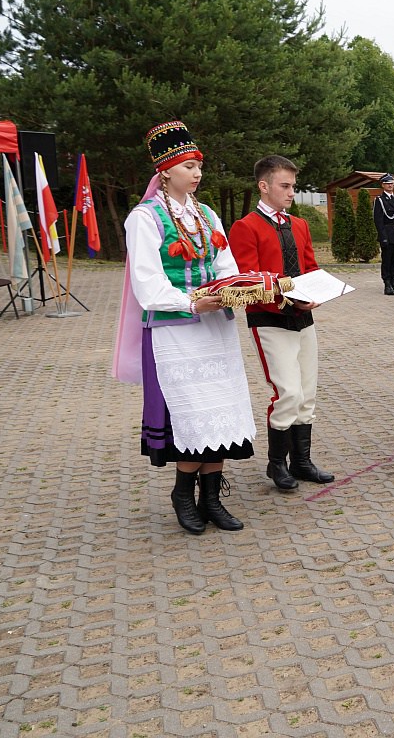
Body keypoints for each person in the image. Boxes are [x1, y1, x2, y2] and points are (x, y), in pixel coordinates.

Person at [112, 120, 253, 534]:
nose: (197, 173)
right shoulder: (145, 218)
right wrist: (191, 302)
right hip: (174, 331)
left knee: (220, 410)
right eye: (189, 166)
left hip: (215, 328)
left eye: (199, 166)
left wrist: (234, 289)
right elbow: (147, 284)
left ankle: (211, 498)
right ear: (165, 170)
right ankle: (183, 495)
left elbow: (225, 266)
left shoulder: (207, 215)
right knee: (190, 412)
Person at [228, 154, 335, 492]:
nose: (291, 192)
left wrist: (317, 291)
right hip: (269, 318)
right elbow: (247, 280)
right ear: (264, 186)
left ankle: (302, 461)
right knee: (287, 392)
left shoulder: (299, 225)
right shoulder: (246, 227)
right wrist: (287, 296)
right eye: (285, 186)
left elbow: (310, 268)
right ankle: (277, 464)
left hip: (304, 318)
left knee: (307, 393)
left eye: (293, 186)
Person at [373, 173, 394, 295]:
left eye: (391, 183)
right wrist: (383, 237)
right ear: (383, 185)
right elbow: (378, 220)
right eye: (387, 183)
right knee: (387, 260)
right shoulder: (380, 200)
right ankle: (387, 284)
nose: (390, 185)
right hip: (387, 234)